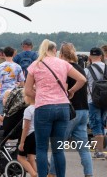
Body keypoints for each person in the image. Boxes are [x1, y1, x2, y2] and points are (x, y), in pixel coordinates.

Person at [24, 39, 86, 177]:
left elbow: (27, 91)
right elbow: (82, 79)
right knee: (58, 149)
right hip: (63, 107)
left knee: (41, 148)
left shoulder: (35, 65)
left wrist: (40, 95)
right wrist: (72, 91)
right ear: (55, 50)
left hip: (43, 108)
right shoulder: (63, 63)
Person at [48, 43, 92, 177]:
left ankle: (52, 174)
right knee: (84, 148)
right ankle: (89, 174)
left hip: (70, 111)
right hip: (84, 110)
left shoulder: (65, 68)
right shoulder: (81, 68)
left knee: (58, 146)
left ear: (61, 54)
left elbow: (62, 89)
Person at [84, 47, 107, 160]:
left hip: (93, 101)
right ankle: (102, 150)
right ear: (101, 56)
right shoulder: (106, 67)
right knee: (103, 123)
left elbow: (84, 85)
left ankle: (99, 151)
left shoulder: (87, 70)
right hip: (105, 100)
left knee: (95, 124)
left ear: (90, 57)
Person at [0, 46, 25, 114]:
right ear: (13, 54)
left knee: (2, 116)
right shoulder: (18, 67)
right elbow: (22, 84)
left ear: (4, 54)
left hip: (2, 95)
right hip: (14, 96)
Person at [17, 94, 37, 177]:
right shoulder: (39, 108)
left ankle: (33, 174)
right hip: (36, 134)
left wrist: (22, 142)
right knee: (31, 157)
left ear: (29, 97)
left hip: (29, 135)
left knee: (20, 157)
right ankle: (35, 173)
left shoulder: (28, 110)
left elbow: (26, 127)